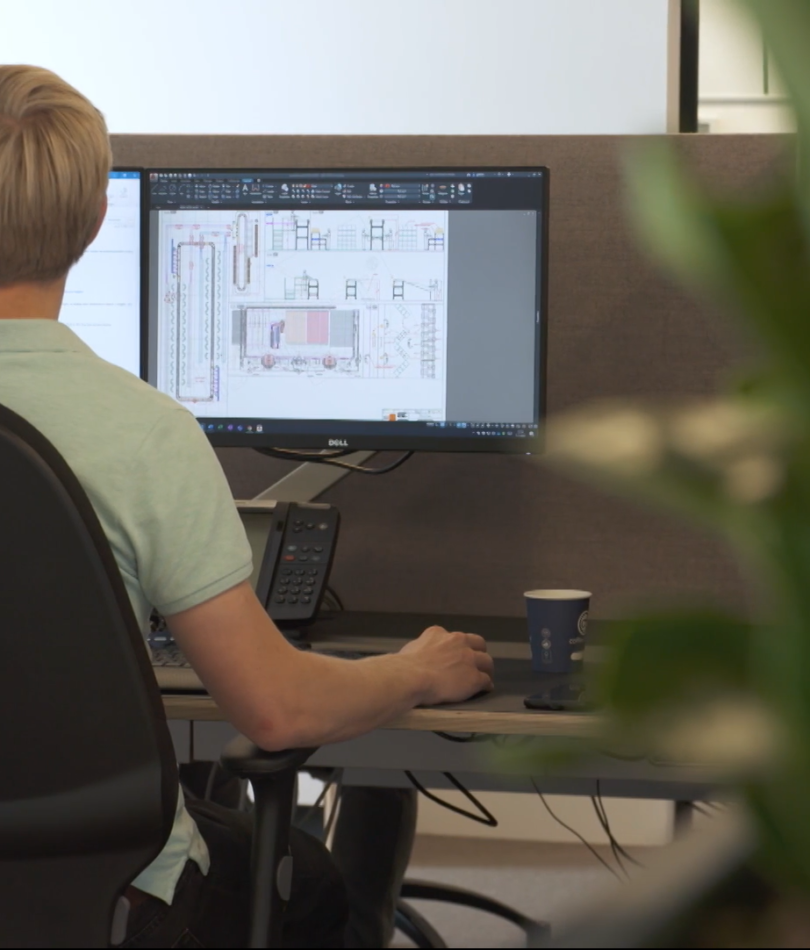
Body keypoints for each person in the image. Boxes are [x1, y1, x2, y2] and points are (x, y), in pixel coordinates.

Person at [0, 65, 494, 948]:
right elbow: (277, 710)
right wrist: (416, 669)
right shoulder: (142, 432)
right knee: (314, 889)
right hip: (105, 890)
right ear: (96, 219)